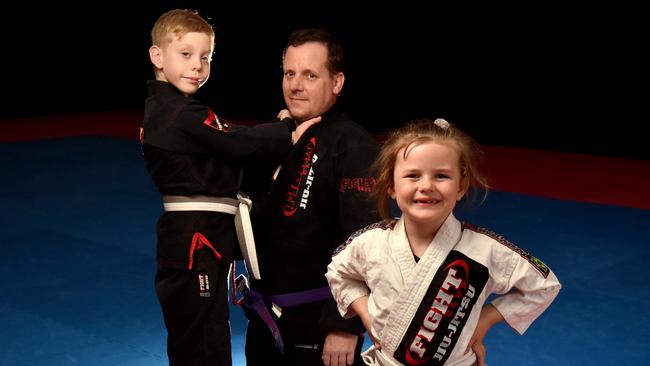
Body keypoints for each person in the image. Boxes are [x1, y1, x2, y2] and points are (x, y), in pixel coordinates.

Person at [141, 9, 319, 366]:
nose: (197, 66)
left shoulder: (171, 110)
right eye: (186, 54)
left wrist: (272, 129)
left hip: (199, 238)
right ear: (157, 56)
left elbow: (231, 149)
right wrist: (285, 129)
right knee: (204, 343)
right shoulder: (178, 112)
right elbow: (237, 141)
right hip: (195, 241)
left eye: (205, 57)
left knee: (201, 337)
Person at [326, 118, 562, 366]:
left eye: (441, 176)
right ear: (391, 186)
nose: (426, 186)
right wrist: (365, 314)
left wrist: (486, 319)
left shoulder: (484, 248)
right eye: (412, 175)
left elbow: (544, 285)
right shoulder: (371, 241)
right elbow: (338, 272)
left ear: (461, 186)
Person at [242, 28, 380, 366]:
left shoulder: (354, 146)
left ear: (337, 82)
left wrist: (344, 324)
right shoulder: (276, 137)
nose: (295, 85)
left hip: (319, 329)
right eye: (290, 73)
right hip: (264, 319)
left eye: (310, 75)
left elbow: (368, 241)